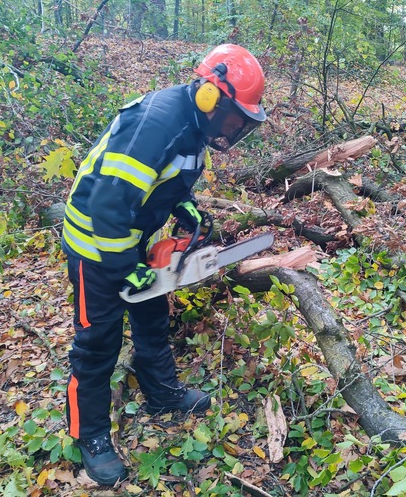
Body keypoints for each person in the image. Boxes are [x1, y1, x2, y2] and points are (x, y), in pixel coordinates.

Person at [61, 44, 267, 486]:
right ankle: (90, 435)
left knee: (153, 318)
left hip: (129, 238)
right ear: (212, 96)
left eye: (241, 124)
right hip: (95, 244)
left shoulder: (194, 126)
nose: (233, 129)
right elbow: (107, 204)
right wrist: (123, 269)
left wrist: (184, 206)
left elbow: (165, 178)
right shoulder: (157, 123)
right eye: (233, 118)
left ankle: (161, 393)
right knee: (98, 342)